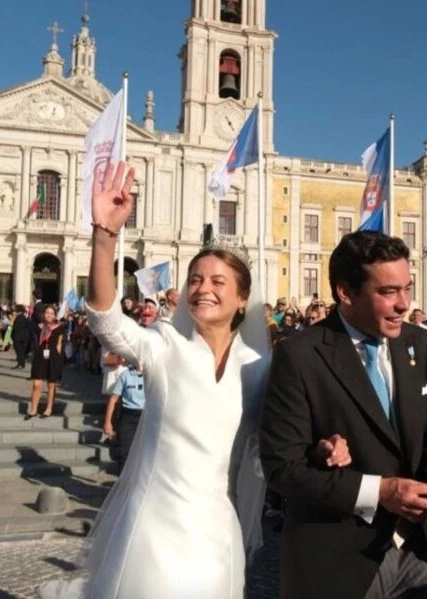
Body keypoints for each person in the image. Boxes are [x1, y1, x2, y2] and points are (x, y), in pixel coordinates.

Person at [39, 160, 350, 599]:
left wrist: (320, 448)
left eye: (218, 281)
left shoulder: (260, 366)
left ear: (242, 299)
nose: (203, 288)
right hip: (154, 531)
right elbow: (106, 320)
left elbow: (277, 443)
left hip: (218, 533)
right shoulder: (165, 344)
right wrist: (105, 237)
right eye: (196, 280)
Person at [260, 230, 427, 599]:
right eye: (388, 292)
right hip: (339, 558)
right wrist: (380, 491)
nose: (404, 304)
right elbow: (282, 467)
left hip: (420, 549)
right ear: (345, 292)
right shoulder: (300, 354)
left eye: (406, 288)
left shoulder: (419, 343)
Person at [25, 305, 65, 419]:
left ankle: (49, 408)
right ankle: (33, 409)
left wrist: (58, 359)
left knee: (51, 385)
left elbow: (59, 344)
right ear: (44, 314)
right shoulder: (38, 327)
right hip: (40, 356)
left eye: (52, 313)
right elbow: (34, 342)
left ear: (55, 315)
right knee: (36, 384)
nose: (49, 315)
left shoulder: (59, 327)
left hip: (53, 357)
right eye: (47, 312)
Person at [103, 365, 146, 471]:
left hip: (145, 416)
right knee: (125, 452)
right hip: (128, 416)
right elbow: (113, 399)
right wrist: (108, 422)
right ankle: (123, 482)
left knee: (144, 453)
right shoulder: (125, 375)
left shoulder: (151, 376)